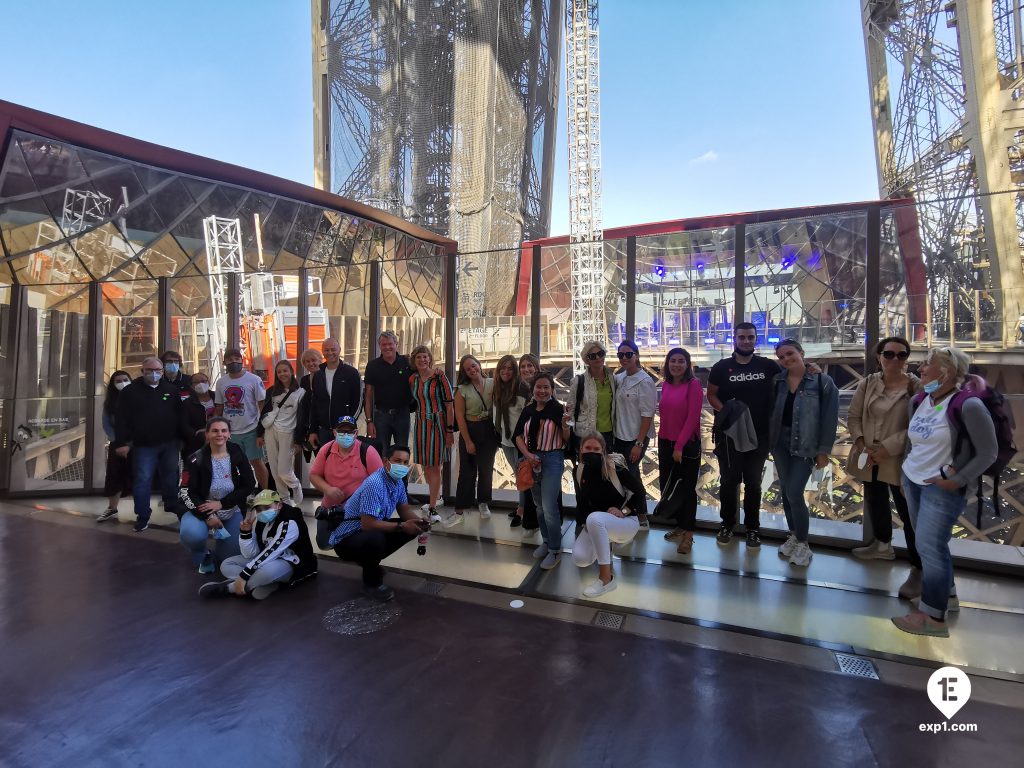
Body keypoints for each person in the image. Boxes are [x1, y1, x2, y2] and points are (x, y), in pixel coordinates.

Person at [892, 347, 996, 637]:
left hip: (942, 487)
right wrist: (904, 472)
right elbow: (914, 443)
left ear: (947, 372)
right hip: (914, 480)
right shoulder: (919, 400)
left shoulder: (969, 405)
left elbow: (988, 452)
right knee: (930, 545)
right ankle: (947, 596)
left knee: (930, 548)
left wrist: (957, 479)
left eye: (927, 365)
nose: (921, 369)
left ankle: (932, 617)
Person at [848, 338, 921, 574]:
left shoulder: (916, 387)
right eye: (889, 354)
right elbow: (854, 416)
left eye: (901, 355)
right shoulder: (868, 383)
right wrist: (861, 444)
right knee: (875, 499)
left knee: (907, 510)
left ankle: (919, 563)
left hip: (898, 457)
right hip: (869, 454)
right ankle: (882, 544)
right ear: (878, 356)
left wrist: (887, 448)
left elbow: (919, 426)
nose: (895, 360)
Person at [707, 322, 782, 548]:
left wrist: (810, 369)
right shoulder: (722, 367)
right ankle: (727, 524)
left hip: (759, 434)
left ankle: (752, 528)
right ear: (735, 339)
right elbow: (711, 394)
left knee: (753, 482)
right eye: (742, 337)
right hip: (729, 434)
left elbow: (791, 378)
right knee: (729, 481)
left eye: (750, 337)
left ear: (755, 339)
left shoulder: (768, 366)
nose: (746, 341)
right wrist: (728, 412)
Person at [769, 339, 840, 567]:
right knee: (786, 490)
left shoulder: (823, 382)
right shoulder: (777, 381)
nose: (786, 359)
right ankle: (793, 534)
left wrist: (823, 451)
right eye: (781, 357)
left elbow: (830, 419)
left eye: (790, 354)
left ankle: (803, 543)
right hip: (780, 442)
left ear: (801, 352)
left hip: (806, 444)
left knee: (794, 492)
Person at [329, 444, 430, 602]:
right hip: (347, 537)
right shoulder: (374, 483)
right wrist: (402, 526)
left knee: (410, 528)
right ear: (385, 461)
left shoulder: (398, 482)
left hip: (367, 530)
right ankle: (371, 584)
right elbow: (368, 524)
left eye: (405, 462)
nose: (402, 466)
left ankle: (370, 563)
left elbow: (404, 510)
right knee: (376, 538)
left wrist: (419, 522)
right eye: (397, 461)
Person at [198, 489, 317, 600]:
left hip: (291, 562)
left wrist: (245, 575)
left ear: (279, 505)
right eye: (259, 509)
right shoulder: (262, 521)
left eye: (267, 507)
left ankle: (229, 588)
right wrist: (246, 533)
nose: (263, 512)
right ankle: (268, 583)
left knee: (265, 572)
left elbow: (273, 550)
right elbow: (250, 553)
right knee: (226, 564)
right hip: (265, 558)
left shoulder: (289, 520)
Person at [179, 417, 256, 573]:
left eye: (223, 430)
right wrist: (208, 515)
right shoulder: (195, 459)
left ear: (229, 434)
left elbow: (249, 484)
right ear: (207, 434)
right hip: (201, 510)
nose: (219, 434)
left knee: (229, 557)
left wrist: (222, 503)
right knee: (192, 534)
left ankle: (218, 552)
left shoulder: (237, 452)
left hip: (230, 510)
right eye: (214, 430)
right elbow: (186, 492)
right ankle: (203, 553)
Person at [114, 356, 183, 532]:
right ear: (142, 371)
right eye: (150, 370)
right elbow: (121, 419)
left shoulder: (171, 390)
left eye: (157, 371)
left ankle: (172, 505)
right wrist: (121, 443)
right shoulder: (129, 392)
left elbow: (180, 415)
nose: (154, 374)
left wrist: (182, 438)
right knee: (143, 479)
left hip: (169, 443)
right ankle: (143, 515)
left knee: (170, 477)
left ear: (162, 371)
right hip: (143, 445)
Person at [571, 434, 644, 597]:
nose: (591, 452)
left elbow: (640, 493)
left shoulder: (614, 467)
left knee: (595, 519)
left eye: (596, 449)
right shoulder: (579, 470)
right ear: (581, 450)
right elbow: (581, 501)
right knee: (580, 558)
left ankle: (606, 579)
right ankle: (605, 539)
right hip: (598, 523)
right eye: (587, 448)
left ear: (603, 450)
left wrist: (624, 511)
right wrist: (582, 526)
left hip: (625, 522)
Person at [515, 373, 572, 570]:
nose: (542, 390)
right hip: (533, 460)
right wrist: (528, 455)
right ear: (533, 389)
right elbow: (518, 436)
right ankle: (547, 541)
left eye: (546, 387)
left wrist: (565, 426)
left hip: (552, 459)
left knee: (549, 506)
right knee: (539, 505)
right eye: (539, 387)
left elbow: (566, 440)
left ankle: (555, 549)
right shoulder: (528, 410)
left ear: (552, 390)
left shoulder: (558, 409)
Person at [658, 348, 704, 554]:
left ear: (688, 364)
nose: (676, 365)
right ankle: (680, 525)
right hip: (665, 442)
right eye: (673, 361)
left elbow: (693, 417)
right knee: (670, 488)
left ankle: (688, 535)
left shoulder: (693, 385)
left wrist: (679, 446)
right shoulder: (666, 384)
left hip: (684, 446)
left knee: (686, 490)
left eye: (681, 361)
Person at [612, 340, 656, 529]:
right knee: (632, 475)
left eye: (628, 354)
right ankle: (640, 516)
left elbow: (648, 415)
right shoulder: (619, 378)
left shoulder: (645, 382)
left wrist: (639, 444)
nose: (624, 358)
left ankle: (637, 515)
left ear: (636, 355)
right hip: (619, 436)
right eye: (620, 355)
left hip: (635, 439)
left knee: (630, 477)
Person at [409, 345, 454, 523]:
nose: (422, 360)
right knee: (426, 465)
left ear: (430, 359)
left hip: (438, 424)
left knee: (434, 465)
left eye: (425, 356)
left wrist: (449, 430)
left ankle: (433, 506)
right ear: (414, 360)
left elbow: (449, 404)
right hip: (420, 423)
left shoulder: (439, 376)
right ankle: (434, 498)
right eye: (419, 357)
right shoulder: (413, 379)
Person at [214, 348, 268, 489]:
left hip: (251, 429)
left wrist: (262, 429)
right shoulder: (221, 382)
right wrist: (214, 428)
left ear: (241, 360)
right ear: (224, 362)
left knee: (257, 462)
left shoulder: (254, 379)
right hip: (230, 432)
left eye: (237, 359)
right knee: (233, 464)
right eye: (230, 359)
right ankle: (241, 491)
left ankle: (264, 492)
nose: (234, 362)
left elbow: (262, 404)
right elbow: (219, 406)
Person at [454, 354, 498, 520]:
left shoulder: (493, 383)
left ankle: (483, 502)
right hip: (470, 429)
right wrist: (468, 441)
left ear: (479, 365)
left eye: (474, 365)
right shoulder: (462, 390)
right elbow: (460, 417)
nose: (472, 370)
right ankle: (461, 507)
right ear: (464, 372)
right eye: (468, 368)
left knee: (486, 469)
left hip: (488, 429)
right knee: (467, 470)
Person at [257, 360, 306, 505]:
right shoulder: (271, 391)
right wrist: (259, 434)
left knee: (284, 470)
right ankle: (285, 501)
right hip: (270, 431)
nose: (282, 374)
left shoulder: (301, 392)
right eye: (279, 372)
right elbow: (263, 413)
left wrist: (298, 441)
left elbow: (302, 418)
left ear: (291, 372)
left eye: (285, 371)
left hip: (288, 432)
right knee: (274, 469)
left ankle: (295, 485)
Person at [310, 416, 383, 510]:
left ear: (356, 433)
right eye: (341, 431)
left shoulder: (368, 452)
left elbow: (380, 482)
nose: (345, 435)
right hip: (329, 508)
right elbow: (314, 475)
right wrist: (327, 489)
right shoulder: (326, 450)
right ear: (335, 432)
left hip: (359, 511)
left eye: (349, 432)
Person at [306, 338, 363, 451]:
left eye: (333, 349)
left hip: (345, 430)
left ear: (339, 350)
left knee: (346, 463)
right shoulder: (318, 374)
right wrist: (312, 431)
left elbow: (358, 402)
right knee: (327, 464)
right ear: (322, 352)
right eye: (326, 350)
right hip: (324, 431)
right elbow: (315, 405)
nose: (330, 353)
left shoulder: (351, 373)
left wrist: (347, 425)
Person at [493, 354, 530, 527]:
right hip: (505, 440)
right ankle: (522, 506)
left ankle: (522, 511)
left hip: (520, 440)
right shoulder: (498, 388)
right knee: (518, 475)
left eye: (510, 368)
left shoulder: (522, 387)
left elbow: (527, 415)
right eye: (503, 368)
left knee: (523, 475)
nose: (506, 371)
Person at [364, 331, 413, 452]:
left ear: (396, 344)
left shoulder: (407, 362)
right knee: (381, 454)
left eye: (390, 344)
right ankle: (382, 472)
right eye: (383, 344)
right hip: (381, 417)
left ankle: (399, 472)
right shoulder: (372, 366)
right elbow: (368, 396)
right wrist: (369, 421)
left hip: (403, 415)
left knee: (402, 453)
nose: (387, 347)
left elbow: (424, 371)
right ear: (379, 346)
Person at [565, 340, 617, 450]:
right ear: (587, 360)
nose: (598, 358)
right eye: (592, 356)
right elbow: (570, 410)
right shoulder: (578, 382)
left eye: (601, 353)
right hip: (586, 435)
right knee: (587, 466)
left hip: (608, 434)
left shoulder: (613, 380)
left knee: (607, 466)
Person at [97, 370, 133, 523]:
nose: (122, 383)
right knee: (114, 476)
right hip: (117, 444)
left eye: (125, 379)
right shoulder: (110, 403)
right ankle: (112, 508)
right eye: (118, 381)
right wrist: (119, 442)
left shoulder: (137, 398)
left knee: (139, 477)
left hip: (136, 443)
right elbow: (106, 425)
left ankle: (142, 511)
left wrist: (131, 444)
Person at [181, 371, 216, 461]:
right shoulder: (187, 403)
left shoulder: (218, 398)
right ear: (192, 386)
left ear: (209, 382)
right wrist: (200, 435)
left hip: (220, 438)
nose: (201, 383)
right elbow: (184, 425)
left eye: (203, 381)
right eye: (196, 382)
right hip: (197, 443)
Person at [296, 348, 324, 462]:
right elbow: (304, 404)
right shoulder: (304, 380)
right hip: (308, 425)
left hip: (322, 425)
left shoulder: (325, 376)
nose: (311, 363)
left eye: (313, 360)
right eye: (307, 361)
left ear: (320, 360)